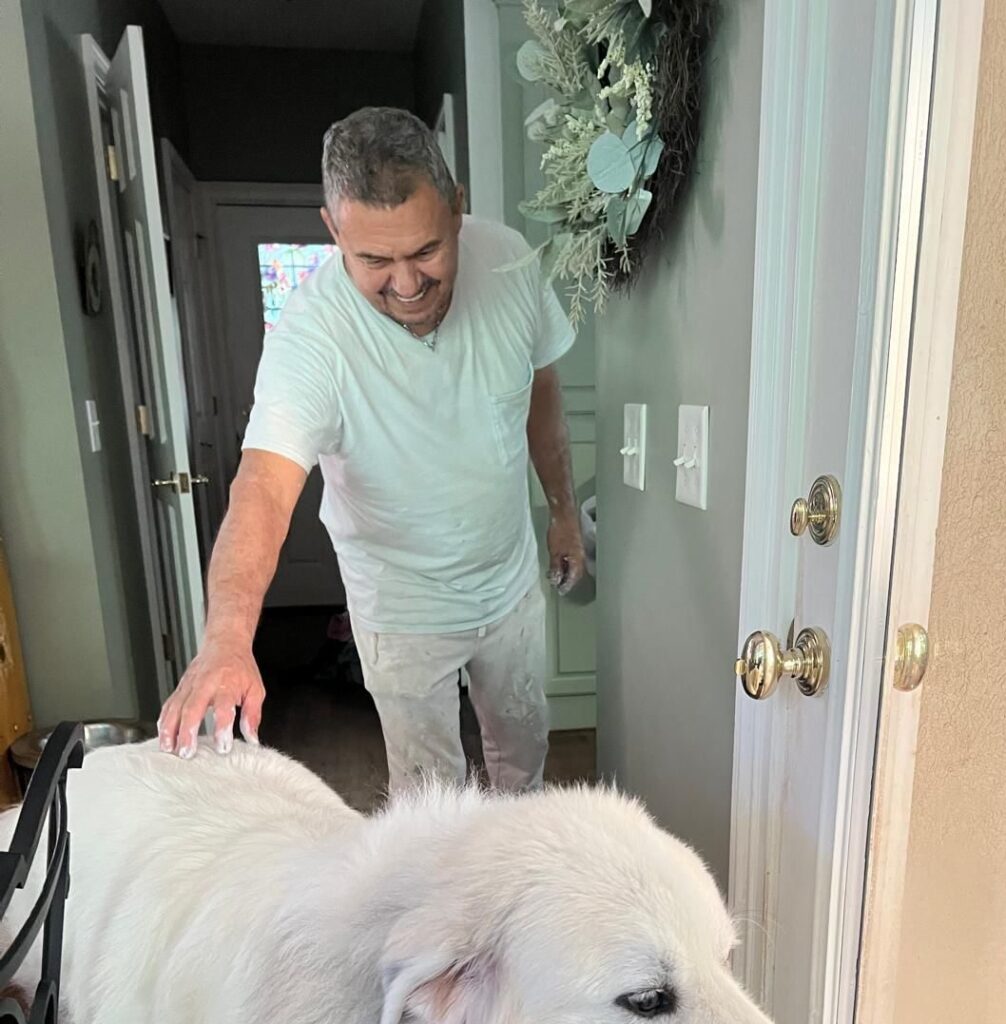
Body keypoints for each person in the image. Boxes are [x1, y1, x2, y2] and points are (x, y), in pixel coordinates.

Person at [157, 107, 584, 793]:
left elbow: (542, 392)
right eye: (375, 261)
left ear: (457, 209)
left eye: (426, 252)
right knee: (429, 801)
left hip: (508, 585)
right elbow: (262, 489)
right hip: (400, 610)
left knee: (523, 767)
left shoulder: (509, 262)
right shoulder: (311, 338)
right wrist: (227, 639)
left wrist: (563, 511)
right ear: (333, 231)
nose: (407, 286)